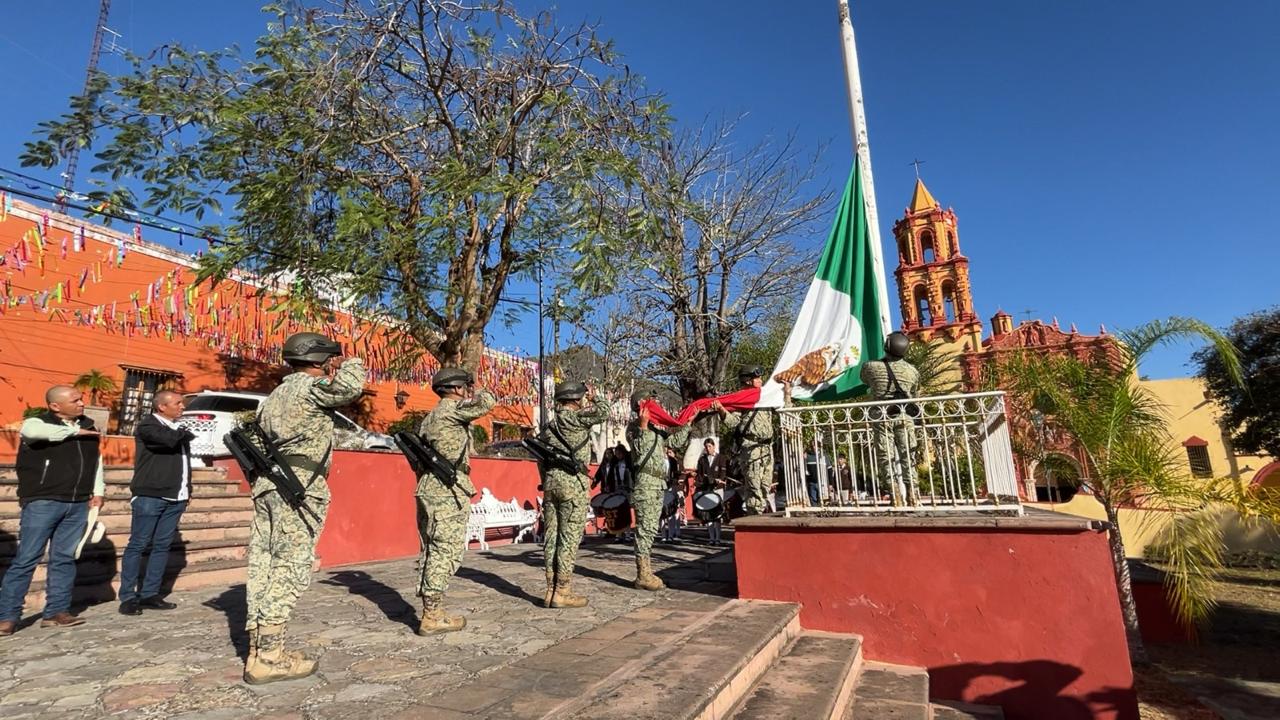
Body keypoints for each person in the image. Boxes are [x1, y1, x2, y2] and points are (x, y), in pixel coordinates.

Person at [243, 332, 365, 684]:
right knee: (290, 566)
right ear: (319, 360)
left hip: (270, 484)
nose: (332, 364)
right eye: (330, 359)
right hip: (299, 485)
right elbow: (348, 389)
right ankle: (268, 657)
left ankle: (260, 648)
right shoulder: (310, 389)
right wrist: (351, 363)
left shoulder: (274, 396)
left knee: (264, 565)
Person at [0, 385, 104, 636]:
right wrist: (77, 432)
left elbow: (96, 462)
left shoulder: (89, 426)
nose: (81, 403)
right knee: (27, 559)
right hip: (43, 501)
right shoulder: (37, 423)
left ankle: (56, 612)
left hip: (78, 502)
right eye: (75, 400)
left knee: (65, 558)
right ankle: (8, 616)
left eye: (81, 399)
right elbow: (32, 431)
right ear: (55, 406)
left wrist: (98, 490)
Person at [415, 367, 494, 634]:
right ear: (458, 388)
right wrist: (478, 389)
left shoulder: (430, 417)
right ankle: (432, 615)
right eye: (464, 387)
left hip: (430, 485)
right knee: (445, 549)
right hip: (447, 487)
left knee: (432, 548)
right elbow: (488, 403)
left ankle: (432, 609)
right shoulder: (451, 410)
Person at [118, 390, 195, 616]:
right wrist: (183, 432)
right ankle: (128, 596)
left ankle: (150, 593)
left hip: (176, 496)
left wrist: (187, 489)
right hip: (151, 495)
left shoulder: (177, 429)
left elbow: (183, 461)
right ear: (162, 406)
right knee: (139, 544)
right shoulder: (148, 426)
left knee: (162, 545)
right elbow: (168, 441)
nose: (183, 407)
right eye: (178, 403)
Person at [539, 381, 609, 608]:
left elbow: (540, 459)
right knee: (568, 539)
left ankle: (550, 589)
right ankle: (563, 591)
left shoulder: (548, 427)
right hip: (573, 486)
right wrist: (595, 398)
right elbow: (605, 411)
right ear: (577, 400)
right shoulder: (578, 420)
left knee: (551, 538)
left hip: (551, 485)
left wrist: (547, 481)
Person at [625, 391, 689, 590]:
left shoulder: (656, 430)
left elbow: (674, 442)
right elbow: (641, 449)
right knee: (645, 528)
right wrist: (643, 426)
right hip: (645, 484)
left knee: (652, 528)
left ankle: (646, 572)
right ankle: (642, 574)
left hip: (657, 483)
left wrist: (687, 424)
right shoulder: (634, 429)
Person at [858, 331, 921, 506]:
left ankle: (894, 494)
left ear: (887, 346)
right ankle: (912, 493)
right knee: (908, 454)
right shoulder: (912, 371)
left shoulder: (871, 367)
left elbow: (864, 379)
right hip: (904, 416)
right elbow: (915, 392)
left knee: (886, 455)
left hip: (881, 415)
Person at [712, 366, 785, 516]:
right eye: (757, 378)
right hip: (751, 447)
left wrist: (788, 393)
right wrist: (721, 410)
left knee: (765, 485)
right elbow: (733, 423)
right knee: (754, 486)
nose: (761, 381)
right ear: (748, 381)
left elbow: (784, 409)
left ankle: (759, 512)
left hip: (767, 447)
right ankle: (754, 515)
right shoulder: (742, 398)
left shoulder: (766, 397)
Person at [695, 438, 729, 545]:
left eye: (709, 446)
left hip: (717, 489)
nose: (708, 449)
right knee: (708, 514)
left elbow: (723, 473)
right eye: (706, 447)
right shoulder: (702, 460)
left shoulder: (721, 458)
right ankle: (711, 538)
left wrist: (719, 480)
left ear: (714, 446)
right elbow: (700, 476)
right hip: (707, 489)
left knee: (717, 514)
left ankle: (718, 538)